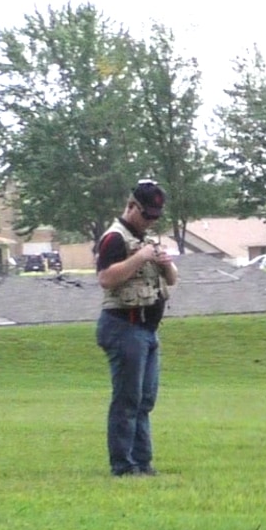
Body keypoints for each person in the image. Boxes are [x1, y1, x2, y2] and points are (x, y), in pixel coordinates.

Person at [95, 179, 178, 476]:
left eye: (156, 217)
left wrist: (165, 263)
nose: (151, 221)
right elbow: (106, 278)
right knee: (127, 399)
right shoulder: (114, 239)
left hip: (147, 330)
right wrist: (140, 257)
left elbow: (172, 280)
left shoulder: (147, 239)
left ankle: (142, 462)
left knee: (145, 399)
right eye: (148, 215)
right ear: (132, 206)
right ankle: (123, 465)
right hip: (123, 327)